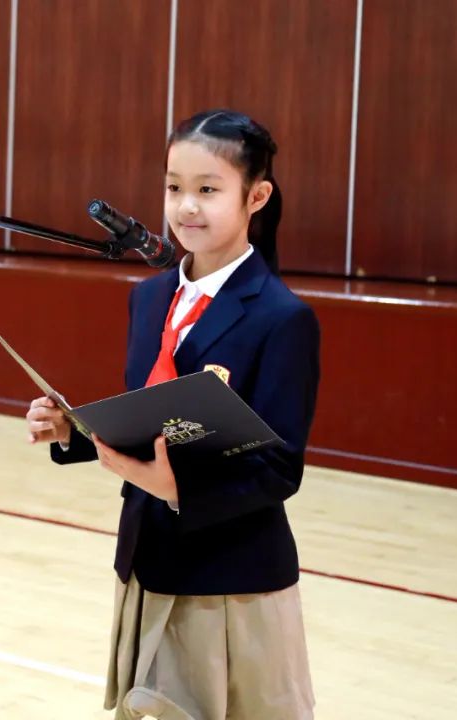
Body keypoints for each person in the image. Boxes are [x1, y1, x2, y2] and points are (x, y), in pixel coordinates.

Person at [26, 110, 319, 720]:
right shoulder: (150, 296)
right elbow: (150, 418)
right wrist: (72, 432)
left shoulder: (282, 317)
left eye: (208, 189)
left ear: (256, 196)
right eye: (173, 186)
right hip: (146, 557)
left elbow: (278, 471)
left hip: (230, 580)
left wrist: (176, 489)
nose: (186, 206)